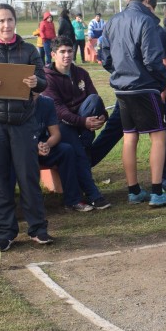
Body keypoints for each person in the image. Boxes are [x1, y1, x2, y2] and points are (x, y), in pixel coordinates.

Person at [0, 4, 53, 250]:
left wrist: (36, 81)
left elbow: (43, 83)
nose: (6, 25)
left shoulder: (28, 50)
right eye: (1, 21)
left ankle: (38, 229)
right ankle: (5, 232)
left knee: (28, 177)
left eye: (10, 20)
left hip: (23, 123)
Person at [104, 0, 166, 208]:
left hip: (122, 88)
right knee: (158, 135)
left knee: (130, 136)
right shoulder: (146, 21)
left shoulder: (112, 21)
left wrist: (118, 72)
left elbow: (105, 55)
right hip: (144, 86)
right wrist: (161, 81)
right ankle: (157, 191)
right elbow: (152, 59)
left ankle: (133, 189)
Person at [42, 41, 110, 210]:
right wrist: (84, 123)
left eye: (70, 51)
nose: (67, 55)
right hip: (58, 125)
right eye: (62, 51)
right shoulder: (47, 76)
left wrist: (102, 117)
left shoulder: (81, 73)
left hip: (82, 122)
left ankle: (84, 143)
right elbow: (58, 110)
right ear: (53, 55)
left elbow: (95, 98)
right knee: (79, 149)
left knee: (93, 101)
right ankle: (93, 194)